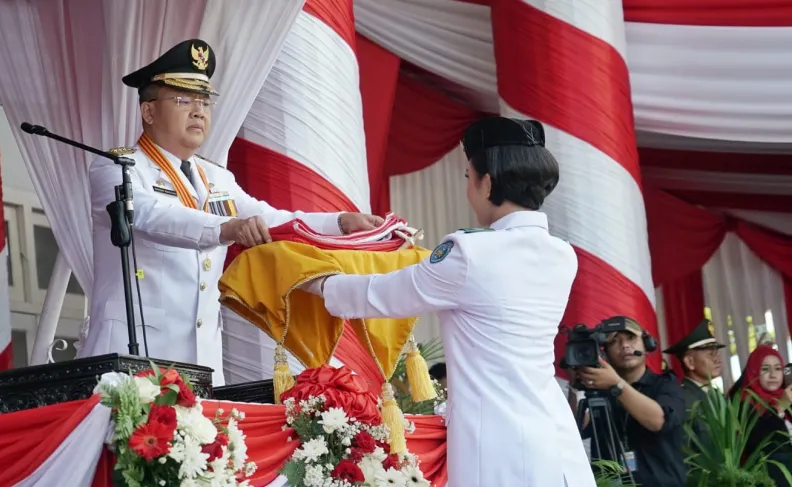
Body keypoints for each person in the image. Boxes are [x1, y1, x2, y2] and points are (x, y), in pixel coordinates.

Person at [301, 116, 595, 486]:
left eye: (469, 177)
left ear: (487, 183)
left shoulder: (470, 252)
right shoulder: (563, 254)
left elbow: (382, 295)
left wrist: (312, 280)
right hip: (554, 435)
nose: (469, 189)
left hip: (498, 444)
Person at [82, 39, 383, 385]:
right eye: (183, 100)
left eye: (204, 102)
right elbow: (151, 215)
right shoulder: (118, 166)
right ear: (149, 112)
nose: (199, 111)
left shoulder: (216, 177)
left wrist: (339, 222)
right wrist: (227, 228)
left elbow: (269, 219)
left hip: (202, 359)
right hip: (132, 356)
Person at [576, 316, 687, 487]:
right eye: (614, 341)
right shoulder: (600, 391)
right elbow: (575, 429)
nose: (625, 345)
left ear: (647, 344)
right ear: (604, 352)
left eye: (631, 338)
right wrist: (575, 386)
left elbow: (658, 420)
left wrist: (617, 385)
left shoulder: (666, 384)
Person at [728, 346, 792, 487]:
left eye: (778, 368)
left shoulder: (784, 395)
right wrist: (780, 407)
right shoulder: (744, 402)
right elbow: (761, 445)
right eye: (765, 369)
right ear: (754, 371)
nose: (773, 375)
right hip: (771, 478)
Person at [663, 318, 725, 448]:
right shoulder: (684, 401)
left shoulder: (717, 396)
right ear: (689, 362)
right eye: (710, 354)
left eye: (717, 353)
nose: (717, 359)